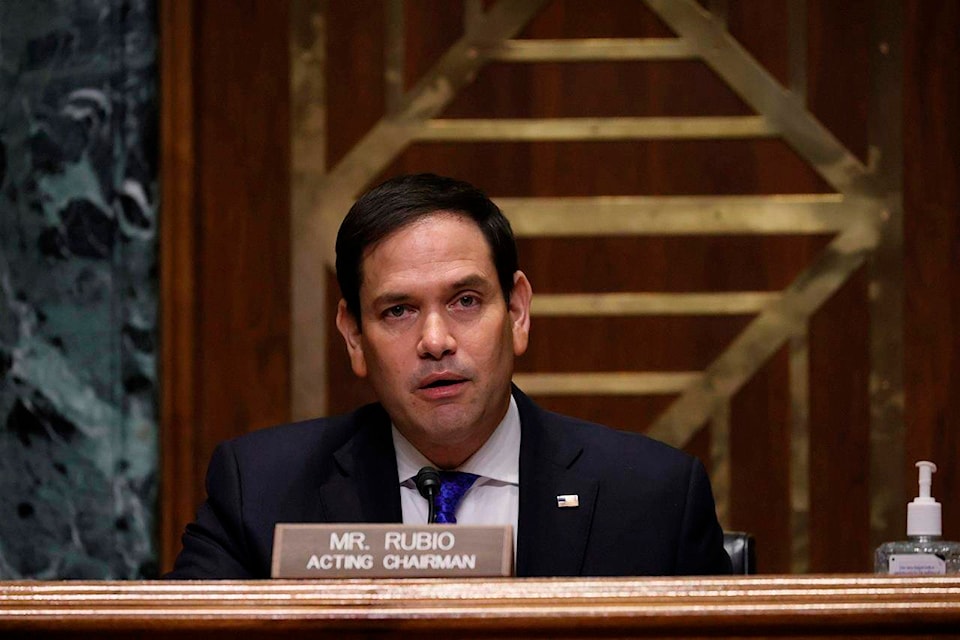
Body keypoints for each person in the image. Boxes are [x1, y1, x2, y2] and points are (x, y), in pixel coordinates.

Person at [167, 173, 731, 578]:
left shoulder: (652, 497)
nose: (435, 341)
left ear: (516, 312)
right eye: (398, 311)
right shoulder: (260, 492)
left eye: (465, 300)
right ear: (354, 336)